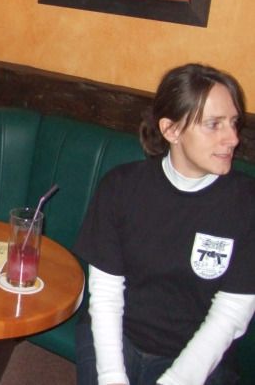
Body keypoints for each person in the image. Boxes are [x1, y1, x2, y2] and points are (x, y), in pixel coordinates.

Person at [74, 63, 255, 385]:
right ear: (171, 131)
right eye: (214, 125)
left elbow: (231, 313)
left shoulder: (246, 202)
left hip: (198, 354)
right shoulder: (121, 187)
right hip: (120, 336)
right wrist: (113, 376)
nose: (232, 138)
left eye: (233, 122)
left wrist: (176, 380)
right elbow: (105, 296)